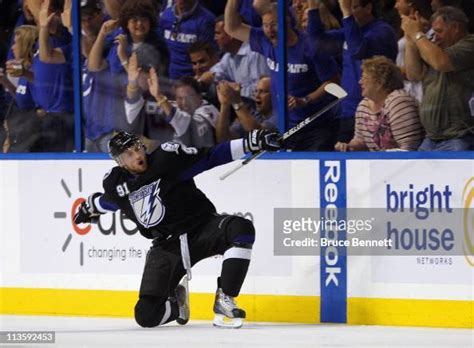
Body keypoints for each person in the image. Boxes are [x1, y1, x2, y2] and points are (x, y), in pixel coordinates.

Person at [73, 130, 282, 328]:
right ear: (120, 161)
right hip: (166, 246)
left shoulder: (166, 159)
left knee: (241, 228)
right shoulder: (115, 182)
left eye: (137, 148)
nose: (137, 154)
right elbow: (112, 201)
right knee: (146, 316)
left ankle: (225, 297)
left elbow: (210, 156)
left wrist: (249, 143)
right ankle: (176, 305)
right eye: (129, 153)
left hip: (202, 228)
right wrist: (91, 207)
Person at [402, 6, 474, 150]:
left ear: (455, 28)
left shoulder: (470, 44)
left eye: (440, 31)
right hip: (431, 137)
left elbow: (441, 63)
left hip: (460, 136)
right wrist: (410, 38)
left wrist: (417, 34)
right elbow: (413, 74)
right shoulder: (434, 48)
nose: (435, 36)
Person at [335, 56, 424, 151]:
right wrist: (349, 146)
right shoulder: (363, 105)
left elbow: (408, 147)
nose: (360, 82)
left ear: (380, 81)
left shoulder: (399, 102)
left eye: (365, 78)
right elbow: (361, 140)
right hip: (379, 163)